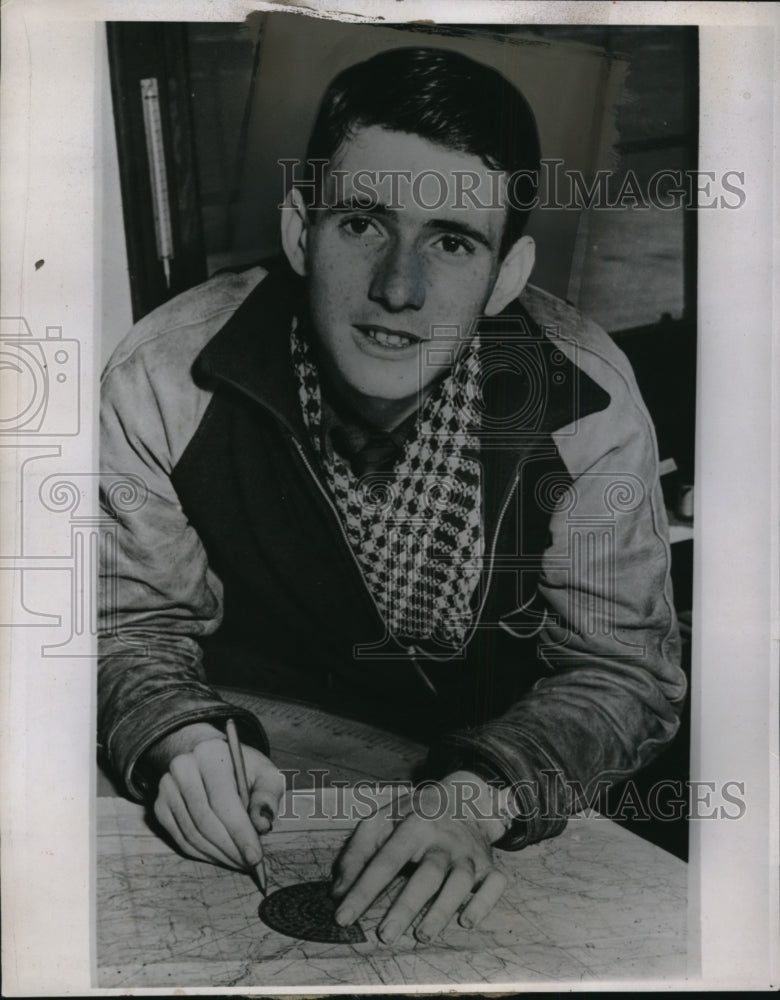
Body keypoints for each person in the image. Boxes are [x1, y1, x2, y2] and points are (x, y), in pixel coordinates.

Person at [98, 46, 686, 944]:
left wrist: (479, 797)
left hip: (478, 792)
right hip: (245, 767)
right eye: (363, 224)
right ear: (302, 230)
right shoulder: (163, 375)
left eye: (452, 242)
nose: (398, 288)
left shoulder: (589, 404)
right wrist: (177, 735)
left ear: (509, 275)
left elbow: (623, 672)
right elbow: (128, 625)